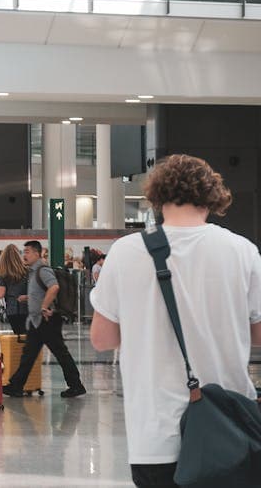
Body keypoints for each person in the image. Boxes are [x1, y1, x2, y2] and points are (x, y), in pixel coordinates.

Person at [89, 154, 261, 488]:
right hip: (230, 429)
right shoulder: (242, 251)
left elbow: (102, 338)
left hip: (154, 437)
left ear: (156, 196)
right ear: (213, 196)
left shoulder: (125, 252)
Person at [3, 240, 87, 399]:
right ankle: (16, 386)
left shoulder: (43, 269)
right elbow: (41, 292)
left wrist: (44, 306)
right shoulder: (33, 271)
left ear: (36, 253)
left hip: (47, 320)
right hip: (37, 321)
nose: (24, 255)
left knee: (60, 353)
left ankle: (76, 385)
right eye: (24, 252)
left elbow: (54, 287)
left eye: (27, 251)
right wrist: (29, 298)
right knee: (29, 355)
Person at [0, 244, 29, 334]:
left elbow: (0, 294)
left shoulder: (3, 273)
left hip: (12, 311)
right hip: (27, 309)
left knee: (19, 337)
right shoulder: (27, 271)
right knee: (28, 337)